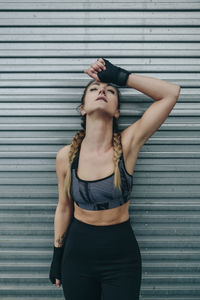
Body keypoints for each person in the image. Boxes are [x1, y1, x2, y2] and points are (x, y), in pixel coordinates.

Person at [49, 58, 181, 299]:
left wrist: (119, 76)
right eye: (94, 89)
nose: (101, 90)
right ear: (83, 108)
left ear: (117, 111)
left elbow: (171, 94)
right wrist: (57, 255)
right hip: (77, 256)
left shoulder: (128, 144)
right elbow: (64, 207)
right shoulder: (66, 156)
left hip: (121, 258)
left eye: (109, 90)